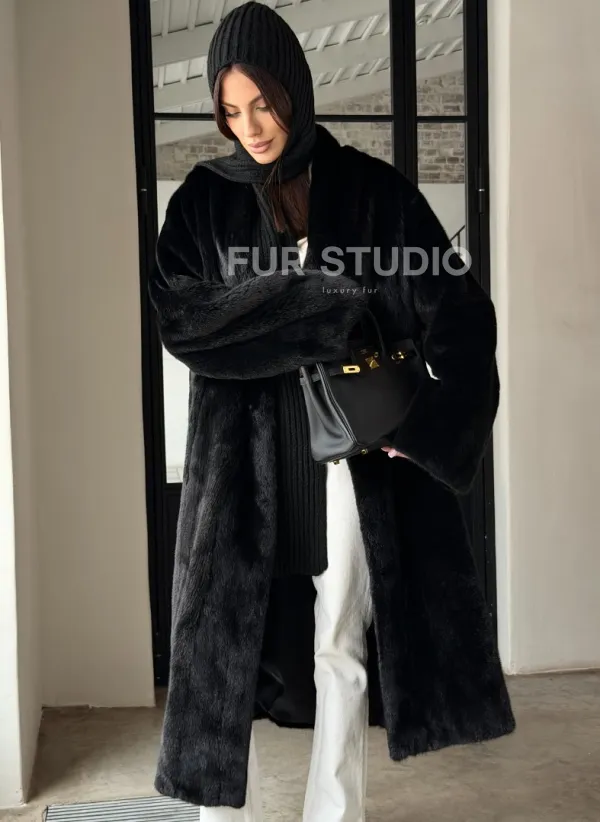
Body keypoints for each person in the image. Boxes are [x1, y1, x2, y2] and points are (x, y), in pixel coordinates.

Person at [147, 3, 516, 821]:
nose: (251, 127)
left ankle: (335, 813)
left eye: (263, 104)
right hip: (239, 457)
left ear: (295, 92)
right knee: (219, 646)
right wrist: (322, 307)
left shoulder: (376, 193)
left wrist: (425, 426)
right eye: (231, 111)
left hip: (350, 455)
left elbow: (460, 316)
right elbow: (184, 321)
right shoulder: (202, 202)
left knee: (342, 646)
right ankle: (219, 817)